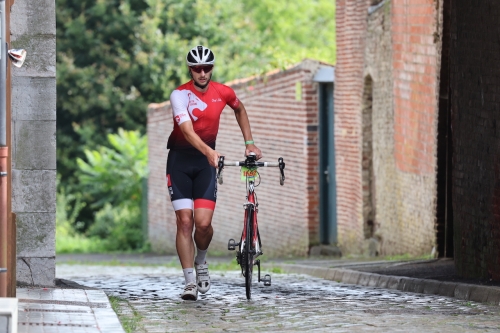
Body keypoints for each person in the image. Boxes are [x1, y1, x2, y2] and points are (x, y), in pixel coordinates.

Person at [166, 45, 262, 300]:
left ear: (212, 68)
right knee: (185, 221)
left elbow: (239, 109)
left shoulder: (224, 92)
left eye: (207, 68)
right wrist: (209, 151)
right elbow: (187, 130)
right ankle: (189, 282)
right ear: (190, 70)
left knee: (204, 224)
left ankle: (201, 260)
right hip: (180, 162)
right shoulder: (180, 95)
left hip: (206, 165)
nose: (202, 73)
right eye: (197, 68)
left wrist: (248, 143)